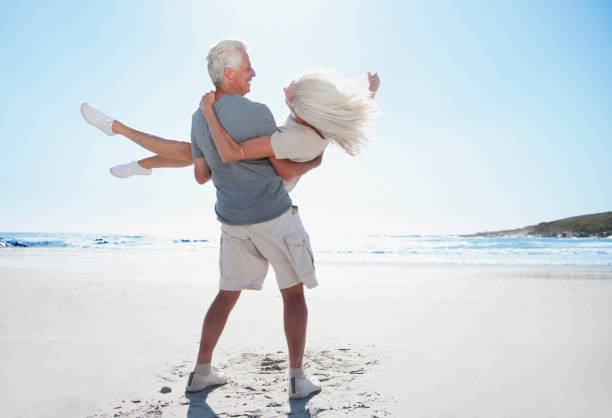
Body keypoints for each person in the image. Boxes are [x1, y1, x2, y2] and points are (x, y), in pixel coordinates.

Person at [82, 40, 326, 400]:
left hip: (232, 220)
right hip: (272, 215)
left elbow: (200, 175)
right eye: (248, 68)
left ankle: (201, 372)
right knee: (292, 295)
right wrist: (314, 162)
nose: (253, 73)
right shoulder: (258, 112)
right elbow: (282, 167)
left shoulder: (199, 116)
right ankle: (296, 379)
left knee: (226, 295)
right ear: (229, 74)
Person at [80, 74, 380, 188]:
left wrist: (209, 112)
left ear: (301, 107)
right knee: (195, 152)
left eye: (291, 91)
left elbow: (283, 171)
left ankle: (116, 128)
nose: (285, 88)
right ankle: (141, 165)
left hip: (261, 180)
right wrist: (371, 91)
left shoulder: (293, 137)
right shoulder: (323, 122)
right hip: (267, 163)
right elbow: (346, 112)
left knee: (193, 150)